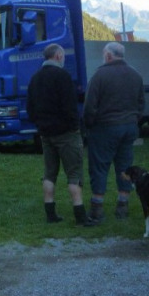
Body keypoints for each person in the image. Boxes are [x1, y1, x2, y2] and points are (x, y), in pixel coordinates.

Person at [26, 43, 95, 227]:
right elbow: (70, 107)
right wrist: (75, 127)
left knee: (49, 174)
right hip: (66, 133)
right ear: (58, 56)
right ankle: (80, 216)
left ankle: (50, 213)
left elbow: (30, 108)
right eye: (63, 56)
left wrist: (41, 125)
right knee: (74, 173)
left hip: (45, 134)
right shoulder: (63, 76)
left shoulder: (35, 78)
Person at [83, 41, 145, 223]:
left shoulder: (99, 75)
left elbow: (89, 106)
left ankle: (97, 209)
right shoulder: (136, 75)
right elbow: (141, 104)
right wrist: (134, 120)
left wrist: (89, 126)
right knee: (125, 166)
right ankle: (123, 206)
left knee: (99, 167)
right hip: (129, 127)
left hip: (105, 127)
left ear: (108, 55)